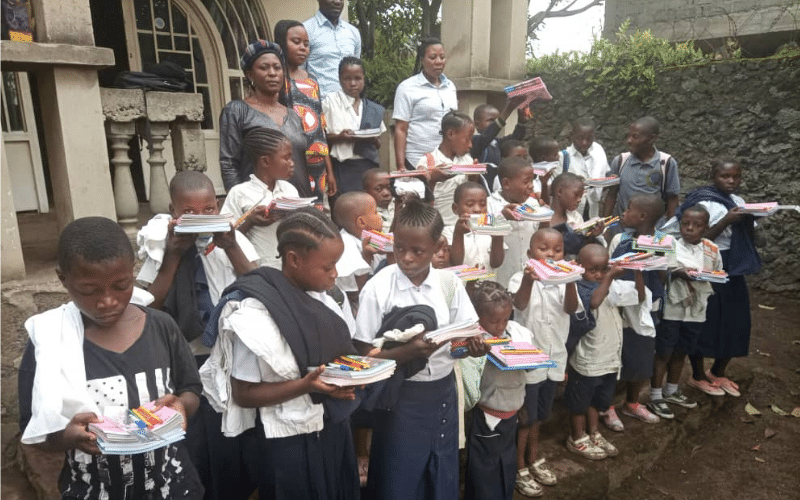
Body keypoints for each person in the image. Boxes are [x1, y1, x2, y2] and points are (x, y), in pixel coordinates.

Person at [18, 217, 204, 499]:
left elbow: (191, 389)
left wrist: (180, 406)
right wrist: (67, 437)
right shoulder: (50, 339)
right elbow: (33, 428)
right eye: (89, 291)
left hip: (174, 487)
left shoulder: (161, 326)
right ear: (63, 280)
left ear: (132, 272)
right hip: (94, 490)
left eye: (121, 285)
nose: (107, 301)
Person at [200, 209, 360, 500]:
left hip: (331, 429)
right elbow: (244, 393)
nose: (335, 274)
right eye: (328, 266)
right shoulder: (253, 314)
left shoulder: (327, 300)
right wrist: (306, 385)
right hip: (286, 443)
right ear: (294, 260)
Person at [135, 171, 260, 499]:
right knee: (198, 443)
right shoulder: (160, 246)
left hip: (231, 354)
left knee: (232, 442)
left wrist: (231, 247)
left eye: (208, 209)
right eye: (190, 212)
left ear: (218, 207)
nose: (201, 218)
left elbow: (261, 289)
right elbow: (149, 307)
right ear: (173, 211)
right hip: (187, 358)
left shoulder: (233, 240)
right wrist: (174, 254)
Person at [353, 198, 482, 500]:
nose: (406, 258)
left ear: (438, 246)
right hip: (401, 399)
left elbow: (459, 344)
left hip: (443, 394)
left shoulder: (449, 284)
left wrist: (472, 347)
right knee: (399, 475)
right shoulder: (379, 287)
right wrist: (406, 353)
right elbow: (361, 355)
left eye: (417, 251)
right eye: (399, 248)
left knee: (439, 469)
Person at [678, 160, 761, 397]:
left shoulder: (739, 202)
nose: (731, 181)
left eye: (736, 177)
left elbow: (749, 234)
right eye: (725, 176)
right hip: (708, 260)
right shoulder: (702, 201)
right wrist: (726, 220)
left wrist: (751, 219)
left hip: (733, 263)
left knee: (737, 318)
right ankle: (697, 374)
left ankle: (718, 371)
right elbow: (696, 238)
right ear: (714, 176)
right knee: (706, 316)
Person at [509, 229, 579, 496]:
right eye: (543, 249)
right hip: (529, 360)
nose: (551, 254)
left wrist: (571, 279)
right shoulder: (519, 278)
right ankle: (519, 467)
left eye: (557, 250)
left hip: (554, 358)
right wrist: (529, 279)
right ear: (529, 255)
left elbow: (571, 309)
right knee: (526, 417)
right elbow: (520, 303)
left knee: (539, 416)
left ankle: (533, 457)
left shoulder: (563, 282)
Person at [566, 244, 645, 460]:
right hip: (587, 361)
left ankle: (594, 432)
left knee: (598, 401)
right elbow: (593, 302)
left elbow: (638, 298)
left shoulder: (611, 286)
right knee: (579, 403)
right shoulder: (579, 287)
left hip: (609, 359)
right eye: (594, 270)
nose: (599, 275)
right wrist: (609, 277)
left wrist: (638, 272)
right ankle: (577, 437)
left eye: (603, 269)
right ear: (580, 268)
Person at [647, 204, 722, 419]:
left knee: (682, 350)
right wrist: (680, 272)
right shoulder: (670, 244)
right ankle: (655, 395)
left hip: (696, 309)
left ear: (706, 228)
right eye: (685, 224)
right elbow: (664, 267)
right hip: (673, 307)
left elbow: (716, 270)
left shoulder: (711, 249)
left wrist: (708, 276)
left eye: (696, 225)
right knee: (664, 351)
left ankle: (671, 390)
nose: (689, 228)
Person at [463, 281, 533, 500]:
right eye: (493, 321)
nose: (501, 326)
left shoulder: (520, 333)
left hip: (512, 412)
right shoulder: (474, 340)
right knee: (484, 469)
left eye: (505, 319)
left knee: (506, 462)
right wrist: (479, 353)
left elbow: (530, 365)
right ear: (478, 318)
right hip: (487, 413)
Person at [219, 40, 315, 198]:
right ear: (250, 74)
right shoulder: (237, 111)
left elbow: (302, 163)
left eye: (277, 68)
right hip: (259, 204)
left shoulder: (293, 115)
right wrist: (241, 203)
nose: (272, 73)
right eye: (264, 68)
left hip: (296, 199)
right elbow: (228, 163)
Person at [606, 194, 667, 429]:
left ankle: (632, 402)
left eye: (628, 208)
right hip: (620, 306)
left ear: (642, 216)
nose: (623, 212)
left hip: (647, 308)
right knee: (617, 356)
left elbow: (663, 276)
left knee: (643, 355)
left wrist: (651, 260)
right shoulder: (620, 239)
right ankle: (608, 406)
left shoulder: (662, 242)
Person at [274, 20, 337, 202]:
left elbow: (320, 129)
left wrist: (329, 170)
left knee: (318, 209)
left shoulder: (312, 81)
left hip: (317, 162)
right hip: (292, 160)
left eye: (306, 44)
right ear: (281, 44)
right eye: (296, 42)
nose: (303, 48)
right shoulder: (278, 81)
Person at [221, 127, 298, 268]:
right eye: (286, 158)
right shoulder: (239, 193)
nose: (292, 163)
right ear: (265, 162)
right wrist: (250, 222)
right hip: (258, 268)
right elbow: (225, 240)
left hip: (290, 268)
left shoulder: (289, 190)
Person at [323, 57, 387, 195]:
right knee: (346, 207)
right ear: (340, 79)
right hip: (342, 167)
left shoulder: (372, 108)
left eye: (358, 78)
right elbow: (322, 138)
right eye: (347, 79)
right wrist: (340, 137)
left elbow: (378, 143)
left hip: (368, 165)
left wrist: (374, 140)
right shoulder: (331, 103)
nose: (353, 83)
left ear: (364, 78)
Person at [393, 37, 458, 170]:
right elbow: (400, 129)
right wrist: (400, 166)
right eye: (433, 57)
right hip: (417, 160)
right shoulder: (407, 87)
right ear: (422, 60)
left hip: (445, 161)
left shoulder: (450, 86)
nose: (439, 62)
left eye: (442, 57)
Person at [602, 116, 681, 225]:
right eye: (628, 136)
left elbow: (672, 198)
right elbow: (611, 195)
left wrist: (670, 228)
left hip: (653, 230)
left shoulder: (666, 163)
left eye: (635, 137)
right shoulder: (620, 161)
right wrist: (606, 225)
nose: (629, 141)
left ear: (652, 139)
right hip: (623, 227)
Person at [488, 156, 539, 288]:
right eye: (526, 182)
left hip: (529, 277)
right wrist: (502, 217)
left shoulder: (533, 204)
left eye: (532, 181)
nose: (531, 186)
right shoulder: (490, 204)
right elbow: (480, 225)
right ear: (506, 184)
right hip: (500, 276)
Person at [417, 111, 475, 227]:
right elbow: (419, 204)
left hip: (464, 225)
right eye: (467, 139)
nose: (470, 145)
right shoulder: (427, 162)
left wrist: (475, 176)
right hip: (437, 227)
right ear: (451, 134)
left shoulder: (467, 160)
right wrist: (432, 180)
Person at [333, 191, 386, 306]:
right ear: (361, 222)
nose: (380, 217)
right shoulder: (346, 244)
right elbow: (354, 294)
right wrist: (366, 256)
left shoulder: (366, 238)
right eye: (376, 212)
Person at [303, 0, 361, 98]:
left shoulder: (353, 32)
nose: (337, 2)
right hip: (321, 105)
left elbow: (356, 70)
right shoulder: (305, 30)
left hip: (349, 104)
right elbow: (299, 73)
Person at [470, 97, 529, 193]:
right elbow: (487, 137)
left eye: (497, 120)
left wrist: (521, 122)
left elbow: (515, 139)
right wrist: (507, 111)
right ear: (477, 124)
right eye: (491, 120)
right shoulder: (475, 141)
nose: (496, 124)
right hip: (481, 190)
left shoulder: (496, 142)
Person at [444, 181, 504, 269]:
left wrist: (497, 237)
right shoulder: (448, 232)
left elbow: (496, 263)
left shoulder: (490, 230)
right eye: (470, 204)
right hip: (462, 282)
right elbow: (455, 262)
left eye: (483, 205)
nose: (477, 209)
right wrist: (458, 234)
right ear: (455, 208)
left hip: (488, 281)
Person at [559, 119, 609, 219]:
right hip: (571, 216)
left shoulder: (598, 151)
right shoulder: (563, 157)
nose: (584, 143)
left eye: (589, 139)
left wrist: (609, 180)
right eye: (579, 138)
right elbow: (556, 189)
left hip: (593, 211)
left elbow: (604, 175)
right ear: (571, 135)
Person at [549, 173, 605, 260]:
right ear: (560, 192)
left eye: (581, 196)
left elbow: (580, 249)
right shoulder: (541, 217)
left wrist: (591, 235)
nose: (579, 200)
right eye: (576, 195)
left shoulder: (576, 218)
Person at [528, 136, 559, 205]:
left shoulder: (554, 171)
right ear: (544, 157)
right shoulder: (532, 177)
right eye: (555, 155)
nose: (558, 157)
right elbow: (541, 200)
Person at [363, 168, 394, 233]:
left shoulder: (398, 203)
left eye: (388, 187)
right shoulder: (367, 215)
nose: (386, 193)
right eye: (378, 189)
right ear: (366, 193)